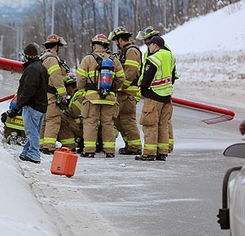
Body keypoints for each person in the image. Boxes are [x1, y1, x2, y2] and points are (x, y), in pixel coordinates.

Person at [75, 34, 125, 158]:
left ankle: (89, 150)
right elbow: (121, 79)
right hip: (109, 98)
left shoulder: (88, 59)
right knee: (108, 123)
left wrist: (82, 90)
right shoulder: (114, 60)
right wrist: (113, 89)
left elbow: (80, 79)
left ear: (95, 45)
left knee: (90, 122)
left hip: (92, 98)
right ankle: (109, 151)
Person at [136, 36, 177, 161]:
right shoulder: (171, 57)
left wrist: (143, 92)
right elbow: (173, 77)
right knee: (163, 125)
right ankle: (162, 152)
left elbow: (147, 78)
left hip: (154, 96)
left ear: (155, 45)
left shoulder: (153, 59)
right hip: (167, 97)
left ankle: (149, 153)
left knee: (149, 124)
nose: (149, 47)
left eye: (150, 45)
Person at [109, 27, 143, 155]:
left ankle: (135, 147)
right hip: (123, 93)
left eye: (116, 41)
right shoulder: (124, 52)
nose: (116, 44)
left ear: (120, 40)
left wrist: (121, 85)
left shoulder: (131, 51)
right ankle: (130, 145)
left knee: (128, 120)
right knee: (120, 120)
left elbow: (131, 72)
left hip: (128, 93)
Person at [16, 43, 48, 164]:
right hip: (41, 105)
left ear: (27, 56)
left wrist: (21, 102)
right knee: (34, 130)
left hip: (32, 106)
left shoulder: (32, 69)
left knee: (31, 131)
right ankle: (26, 152)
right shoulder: (41, 67)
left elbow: (29, 89)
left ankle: (34, 154)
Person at [38, 34, 69, 154]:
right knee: (53, 120)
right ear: (56, 47)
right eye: (60, 47)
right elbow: (56, 77)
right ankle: (49, 147)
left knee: (45, 120)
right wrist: (63, 94)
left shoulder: (43, 58)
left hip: (43, 94)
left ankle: (41, 145)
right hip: (51, 94)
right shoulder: (52, 59)